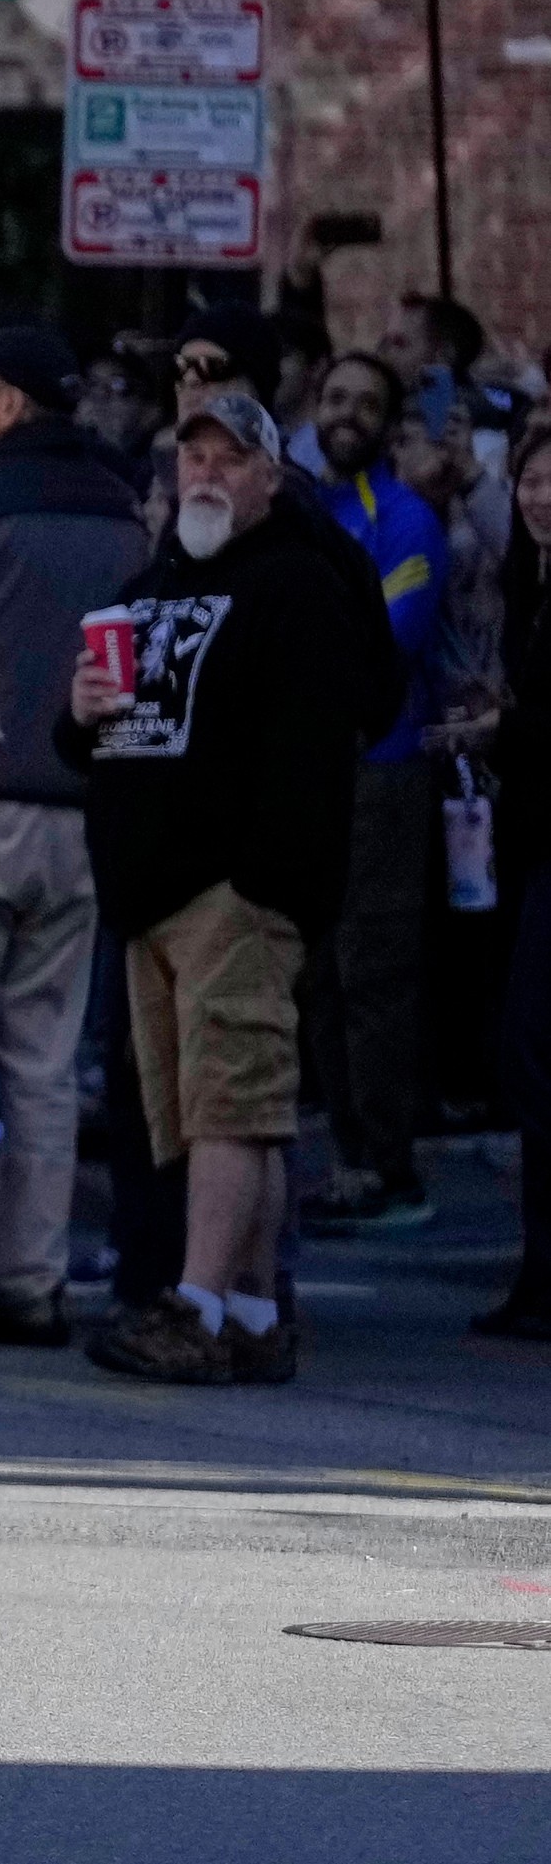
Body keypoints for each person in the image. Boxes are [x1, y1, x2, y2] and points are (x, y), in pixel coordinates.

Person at [65, 391, 365, 1385]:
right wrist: (79, 714)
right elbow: (107, 739)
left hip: (231, 894)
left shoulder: (294, 583)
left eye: (226, 459)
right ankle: (246, 1306)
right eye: (188, 457)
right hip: (149, 893)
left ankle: (194, 1306)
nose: (202, 473)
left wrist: (264, 884)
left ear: (268, 477)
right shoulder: (154, 581)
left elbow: (312, 754)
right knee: (221, 1114)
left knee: (229, 1110)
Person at [0, 326, 149, 1346]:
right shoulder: (124, 510)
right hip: (82, 807)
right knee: (45, 1060)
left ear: (8, 400)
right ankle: (33, 1279)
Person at [302, 351, 447, 1232]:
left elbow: (387, 647)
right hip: (315, 771)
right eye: (333, 397)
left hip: (385, 768)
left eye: (363, 402)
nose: (345, 413)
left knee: (374, 970)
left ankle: (390, 1165)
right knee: (321, 972)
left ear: (391, 426)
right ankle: (351, 1157)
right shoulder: (312, 513)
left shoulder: (407, 520)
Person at [478, 421, 551, 1341]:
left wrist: (508, 727)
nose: (540, 497)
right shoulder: (527, 585)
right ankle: (539, 1272)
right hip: (531, 843)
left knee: (534, 1055)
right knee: (529, 1061)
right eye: (531, 480)